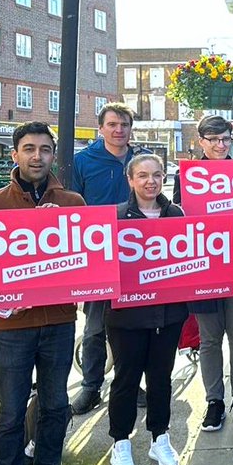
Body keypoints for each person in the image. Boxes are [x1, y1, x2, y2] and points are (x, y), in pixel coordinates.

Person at [0, 121, 83, 465]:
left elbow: (87, 263)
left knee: (56, 404)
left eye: (44, 149)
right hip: (13, 328)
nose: (37, 156)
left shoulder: (72, 202)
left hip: (58, 321)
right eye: (28, 149)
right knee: (12, 409)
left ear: (53, 155)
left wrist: (62, 231)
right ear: (16, 154)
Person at [173, 115, 233, 431]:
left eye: (226, 139)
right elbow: (178, 218)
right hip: (205, 264)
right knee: (209, 337)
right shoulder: (188, 176)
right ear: (201, 142)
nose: (221, 145)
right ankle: (214, 400)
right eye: (214, 140)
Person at [105, 155, 190, 465]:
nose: (150, 181)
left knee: (161, 379)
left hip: (167, 316)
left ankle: (160, 437)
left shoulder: (175, 213)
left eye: (156, 175)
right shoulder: (115, 217)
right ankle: (121, 443)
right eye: (142, 175)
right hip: (126, 316)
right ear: (130, 180)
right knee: (125, 380)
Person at [70, 103, 151, 415]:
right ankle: (91, 386)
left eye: (125, 124)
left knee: (135, 325)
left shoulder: (141, 158)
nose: (119, 130)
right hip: (97, 255)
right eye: (113, 124)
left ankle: (131, 382)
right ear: (100, 127)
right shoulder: (83, 162)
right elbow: (73, 206)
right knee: (93, 327)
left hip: (139, 254)